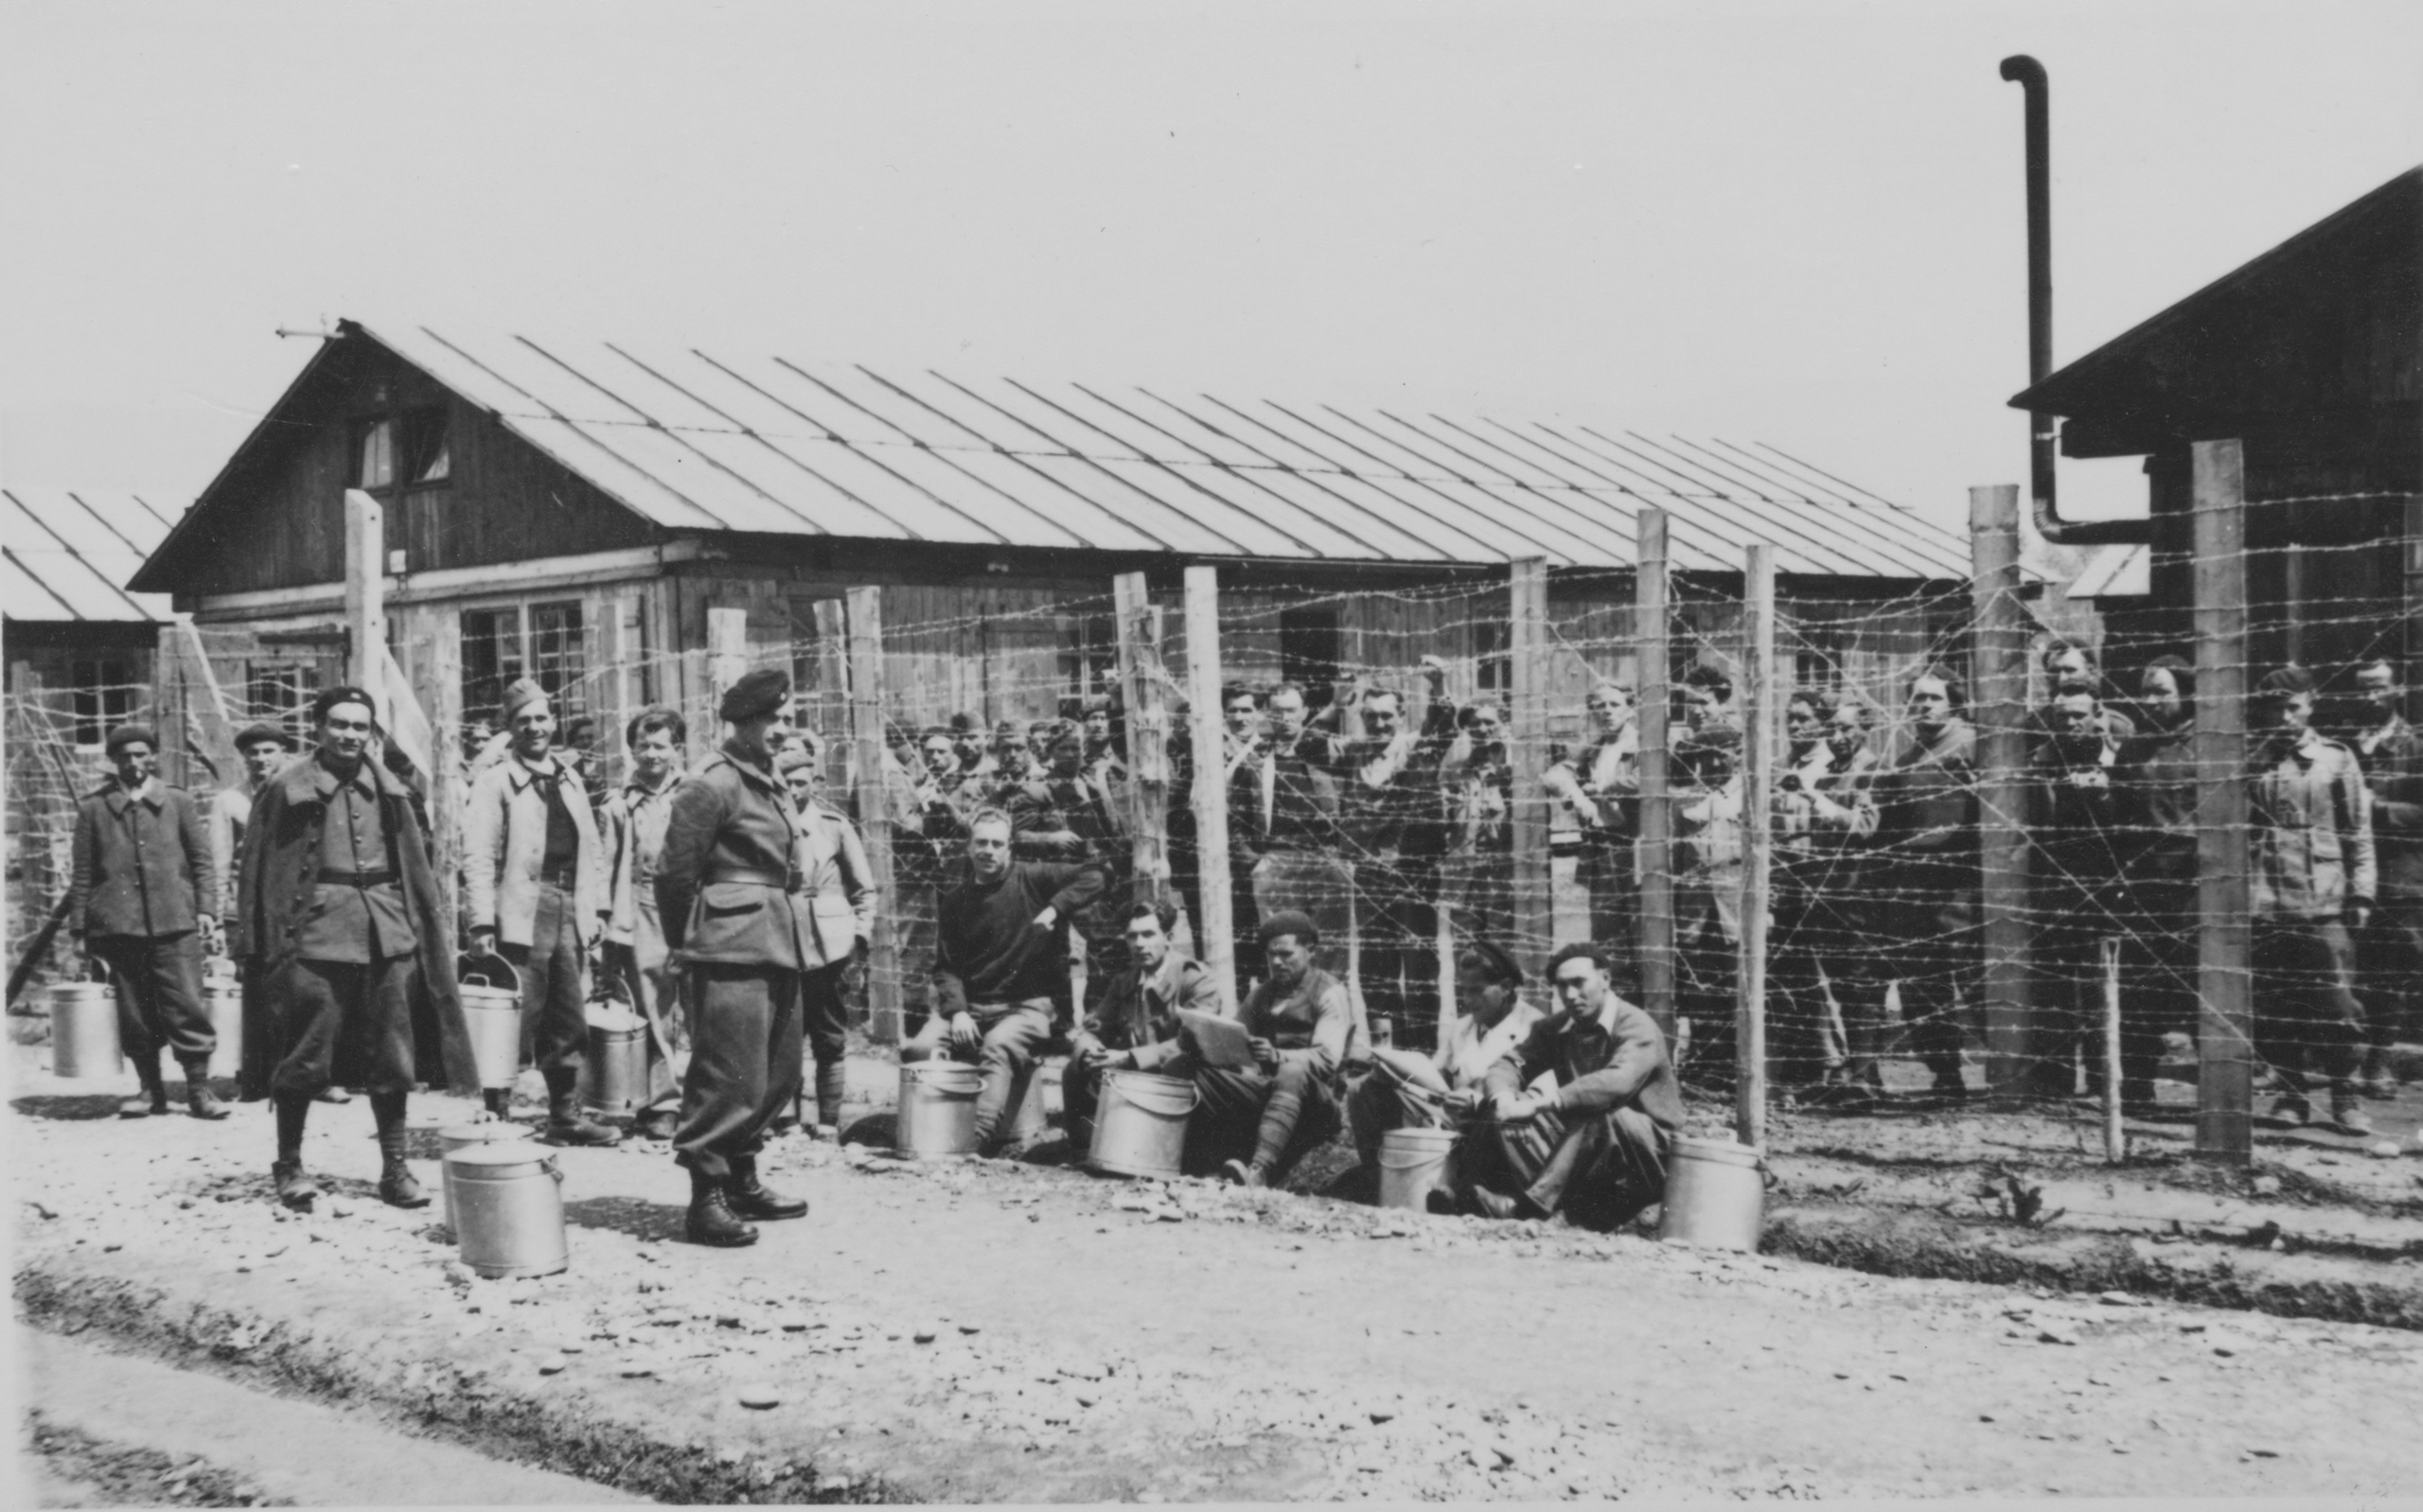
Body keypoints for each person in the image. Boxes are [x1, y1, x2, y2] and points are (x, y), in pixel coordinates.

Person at [233, 687, 480, 1208]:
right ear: (319, 728)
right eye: (339, 724)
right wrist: (253, 944)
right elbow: (256, 868)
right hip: (316, 937)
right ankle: (290, 1165)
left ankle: (395, 1169)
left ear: (371, 732)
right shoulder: (285, 786)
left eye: (359, 726)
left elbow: (415, 864)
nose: (349, 735)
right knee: (305, 1054)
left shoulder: (390, 787)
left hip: (387, 934)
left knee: (394, 1057)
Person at [654, 668, 822, 1246]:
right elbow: (674, 875)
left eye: (786, 719)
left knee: (777, 1071)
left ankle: (744, 1177)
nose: (782, 730)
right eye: (773, 720)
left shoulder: (769, 778)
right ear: (745, 722)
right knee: (726, 1074)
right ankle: (705, 1200)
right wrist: (687, 944)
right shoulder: (713, 783)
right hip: (728, 945)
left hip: (778, 936)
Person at [462, 677, 618, 1145]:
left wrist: (599, 910)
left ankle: (564, 1116)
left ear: (554, 723)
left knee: (568, 1015)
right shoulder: (494, 783)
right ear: (510, 729)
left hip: (570, 905)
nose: (534, 727)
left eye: (541, 718)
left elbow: (592, 850)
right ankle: (496, 1118)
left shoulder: (569, 777)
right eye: (523, 720)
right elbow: (479, 857)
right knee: (512, 1015)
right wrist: (482, 922)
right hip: (520, 912)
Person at [914, 807, 1107, 1155]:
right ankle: (923, 1133)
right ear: (968, 848)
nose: (988, 850)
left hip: (1028, 1007)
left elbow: (1097, 873)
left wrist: (1055, 907)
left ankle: (974, 1142)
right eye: (981, 843)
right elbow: (946, 968)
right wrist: (957, 1012)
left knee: (998, 1044)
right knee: (920, 1048)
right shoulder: (956, 901)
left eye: (997, 843)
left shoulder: (1033, 878)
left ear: (1010, 849)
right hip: (972, 1009)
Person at [70, 722, 225, 1120]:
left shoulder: (178, 802)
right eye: (125, 756)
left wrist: (207, 909)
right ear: (113, 761)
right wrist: (78, 930)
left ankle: (198, 1090)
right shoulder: (93, 808)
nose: (134, 763)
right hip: (119, 927)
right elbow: (83, 874)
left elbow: (202, 862)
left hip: (176, 924)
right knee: (135, 1012)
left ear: (153, 757)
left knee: (186, 1005)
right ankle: (148, 1090)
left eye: (141, 754)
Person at [1466, 942, 1681, 1227]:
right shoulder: (1556, 1028)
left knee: (1601, 1113)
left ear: (1605, 979)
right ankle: (1475, 1193)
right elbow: (1509, 1064)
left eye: (1579, 983)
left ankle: (1529, 1210)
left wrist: (1542, 1102)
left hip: (1650, 1154)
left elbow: (1616, 1082)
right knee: (1496, 1105)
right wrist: (1505, 1099)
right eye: (1561, 986)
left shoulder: (1635, 1026)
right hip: (1586, 1147)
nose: (1570, 995)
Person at [2247, 666, 2376, 1135]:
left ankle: (2346, 1095)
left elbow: (2358, 833)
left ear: (2310, 702)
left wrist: (2362, 891)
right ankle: (2291, 1094)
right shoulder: (2254, 758)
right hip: (2266, 900)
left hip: (2324, 900)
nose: (2283, 717)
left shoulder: (2336, 760)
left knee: (2338, 1005)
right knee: (2276, 1004)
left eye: (2292, 706)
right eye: (2273, 708)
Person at [1347, 938, 1541, 1206]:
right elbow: (1434, 1076)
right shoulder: (1463, 1029)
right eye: (1464, 991)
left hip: (1497, 1125)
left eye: (1477, 991)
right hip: (1451, 1118)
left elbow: (1534, 1091)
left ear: (1505, 988)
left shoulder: (1533, 1027)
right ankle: (1380, 1176)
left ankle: (1479, 1190)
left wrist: (1478, 1101)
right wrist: (1395, 1077)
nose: (1468, 1000)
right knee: (1363, 1088)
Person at [1192, 909, 1370, 1188]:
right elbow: (1234, 1039)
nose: (1276, 961)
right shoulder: (1260, 995)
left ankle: (1260, 1170)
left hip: (1317, 1100)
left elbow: (1326, 1060)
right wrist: (1206, 1044)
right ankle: (1183, 1159)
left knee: (1292, 1070)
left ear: (1310, 951)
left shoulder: (1329, 993)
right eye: (1271, 954)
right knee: (1194, 1069)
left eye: (1286, 954)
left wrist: (1277, 1056)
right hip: (1268, 1090)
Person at [1866, 666, 1981, 1099]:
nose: (1924, 706)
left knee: (1977, 979)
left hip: (1964, 884)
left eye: (1934, 697)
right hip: (1918, 884)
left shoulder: (1972, 745)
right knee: (1923, 984)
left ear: (1953, 702)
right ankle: (1946, 1074)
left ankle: (2024, 1076)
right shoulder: (1907, 759)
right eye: (1917, 698)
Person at [1769, 690, 1874, 1091]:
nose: (1795, 727)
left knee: (1843, 978)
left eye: (1804, 719)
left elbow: (1854, 822)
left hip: (1833, 884)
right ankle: (1820, 1065)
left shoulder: (1836, 765)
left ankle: (1856, 1072)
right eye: (1789, 720)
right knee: (1798, 978)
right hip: (1791, 882)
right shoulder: (1780, 766)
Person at [2026, 687, 2128, 1098]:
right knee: (2055, 988)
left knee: (2100, 986)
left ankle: (2106, 1082)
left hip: (2105, 889)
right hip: (2054, 888)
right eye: (2063, 716)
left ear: (2096, 714)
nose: (2071, 723)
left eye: (2079, 715)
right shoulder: (2041, 764)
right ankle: (2056, 1081)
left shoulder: (2117, 760)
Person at [1062, 899, 1221, 1149]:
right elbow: (1096, 1027)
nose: (1139, 944)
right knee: (1074, 1069)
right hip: (1136, 1073)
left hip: (1181, 1076)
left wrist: (1128, 1057)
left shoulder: (1196, 980)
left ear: (1168, 937)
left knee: (1178, 1067)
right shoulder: (1125, 981)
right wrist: (1089, 1049)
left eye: (1148, 934)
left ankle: (1179, 1154)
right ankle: (1085, 1151)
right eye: (1132, 936)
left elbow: (1191, 1043)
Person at [776, 738, 875, 1135]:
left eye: (801, 782)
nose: (795, 791)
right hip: (783, 943)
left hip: (831, 945)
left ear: (814, 782)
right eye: (787, 783)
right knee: (784, 1035)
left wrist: (859, 935)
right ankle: (787, 1121)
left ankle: (830, 1122)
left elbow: (864, 890)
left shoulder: (834, 827)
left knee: (829, 1034)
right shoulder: (768, 828)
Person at [601, 706, 689, 1141]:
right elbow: (608, 864)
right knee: (651, 1006)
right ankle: (661, 1103)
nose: (651, 754)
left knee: (702, 1006)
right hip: (642, 909)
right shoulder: (620, 804)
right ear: (632, 751)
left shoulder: (694, 795)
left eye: (660, 745)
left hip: (692, 908)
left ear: (678, 750)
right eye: (643, 746)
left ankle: (711, 1102)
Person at [2115, 656, 2198, 1116]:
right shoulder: (2134, 749)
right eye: (2146, 691)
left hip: (2198, 884)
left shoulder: (2211, 742)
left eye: (2161, 691)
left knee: (2204, 986)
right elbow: (2120, 818)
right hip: (2146, 882)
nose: (2150, 700)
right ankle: (2137, 1090)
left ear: (2185, 693)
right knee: (2140, 992)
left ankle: (2223, 1097)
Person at [1008, 719, 1128, 1021]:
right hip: (1056, 882)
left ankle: (1099, 1018)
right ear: (1050, 751)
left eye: (1076, 747)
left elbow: (1110, 833)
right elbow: (1017, 837)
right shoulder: (1036, 791)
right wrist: (1051, 838)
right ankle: (1060, 1024)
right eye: (1063, 748)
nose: (1071, 754)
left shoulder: (1093, 786)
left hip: (1096, 881)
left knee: (1106, 951)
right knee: (1057, 956)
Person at [2347, 656, 2421, 1099]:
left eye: (2378, 686)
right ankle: (2339, 1063)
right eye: (2361, 688)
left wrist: (2376, 810)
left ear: (2397, 690)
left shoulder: (2414, 746)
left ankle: (2378, 1062)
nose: (2369, 696)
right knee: (2342, 971)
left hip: (2399, 876)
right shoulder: (2345, 746)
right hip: (2350, 874)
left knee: (2390, 974)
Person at [1549, 680, 1640, 994]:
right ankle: (1615, 1001)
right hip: (1600, 843)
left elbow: (1646, 780)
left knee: (1640, 928)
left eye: (1614, 704)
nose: (1606, 712)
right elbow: (1554, 774)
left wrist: (1602, 788)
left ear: (1631, 708)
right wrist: (1578, 796)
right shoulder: (1596, 747)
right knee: (1607, 932)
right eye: (1598, 706)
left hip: (1633, 844)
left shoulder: (1642, 746)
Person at [1437, 697, 1514, 951]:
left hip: (1502, 875)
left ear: (1504, 724)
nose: (1482, 729)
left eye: (1489, 722)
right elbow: (1441, 821)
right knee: (1465, 949)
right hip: (1465, 875)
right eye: (1474, 723)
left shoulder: (1514, 772)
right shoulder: (1455, 772)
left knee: (1499, 948)